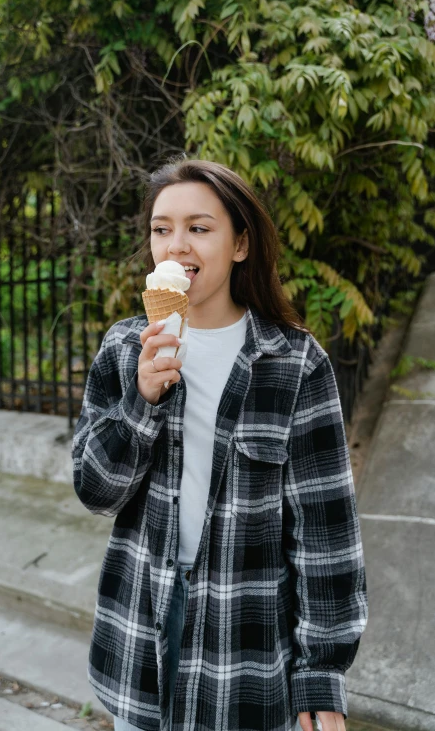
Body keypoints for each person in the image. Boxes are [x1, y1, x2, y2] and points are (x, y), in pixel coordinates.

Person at [72, 158, 368, 731]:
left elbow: (326, 531)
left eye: (199, 228)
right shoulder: (124, 346)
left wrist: (321, 677)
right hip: (142, 621)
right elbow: (95, 491)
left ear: (240, 245)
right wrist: (141, 400)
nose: (175, 246)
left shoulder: (295, 363)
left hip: (247, 635)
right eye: (162, 229)